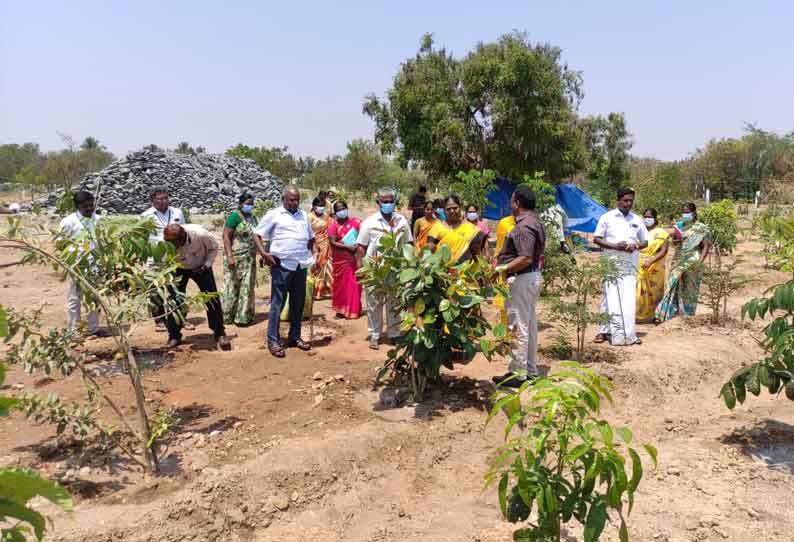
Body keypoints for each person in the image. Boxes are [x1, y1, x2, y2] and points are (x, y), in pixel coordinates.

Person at [492, 186, 546, 387]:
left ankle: (518, 374)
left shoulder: (523, 226)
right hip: (530, 277)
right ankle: (529, 371)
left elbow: (525, 257)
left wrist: (501, 269)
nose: (510, 204)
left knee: (518, 327)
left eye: (512, 200)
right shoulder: (535, 222)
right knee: (529, 326)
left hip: (522, 278)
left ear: (517, 203)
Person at [255, 186, 315, 358]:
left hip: (300, 266)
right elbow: (257, 234)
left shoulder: (303, 215)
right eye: (291, 200)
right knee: (277, 304)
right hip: (281, 266)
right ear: (284, 199)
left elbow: (311, 239)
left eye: (297, 199)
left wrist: (314, 256)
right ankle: (273, 340)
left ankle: (294, 337)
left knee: (298, 304)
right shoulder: (274, 214)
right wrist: (264, 254)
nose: (295, 203)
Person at [357, 187, 413, 350]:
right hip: (375, 270)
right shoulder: (369, 222)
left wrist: (408, 268)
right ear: (378, 203)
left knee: (394, 302)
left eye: (391, 201)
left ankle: (394, 333)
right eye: (385, 202)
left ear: (395, 202)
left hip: (396, 269)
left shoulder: (402, 221)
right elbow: (361, 247)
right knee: (374, 303)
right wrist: (361, 271)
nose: (388, 204)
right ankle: (374, 335)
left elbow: (408, 243)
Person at [593, 188, 648, 346]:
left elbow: (645, 241)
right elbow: (597, 239)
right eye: (625, 200)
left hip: (630, 264)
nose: (628, 203)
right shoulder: (607, 217)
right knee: (609, 296)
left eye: (631, 201)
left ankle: (628, 333)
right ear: (618, 200)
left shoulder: (637, 219)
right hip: (611, 262)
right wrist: (614, 246)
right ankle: (604, 331)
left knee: (628, 298)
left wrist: (636, 245)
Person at [162, 224, 231, 350]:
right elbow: (162, 258)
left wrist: (207, 264)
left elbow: (214, 247)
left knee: (211, 299)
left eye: (176, 244)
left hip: (202, 267)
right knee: (174, 301)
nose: (174, 247)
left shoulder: (200, 234)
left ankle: (219, 333)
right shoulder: (166, 241)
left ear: (183, 237)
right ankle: (174, 336)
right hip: (178, 268)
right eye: (171, 244)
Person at [655, 203, 711, 322]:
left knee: (690, 288)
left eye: (687, 212)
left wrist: (700, 262)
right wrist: (676, 240)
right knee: (672, 284)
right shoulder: (679, 225)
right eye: (683, 212)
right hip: (678, 259)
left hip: (693, 259)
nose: (685, 214)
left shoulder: (702, 228)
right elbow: (674, 241)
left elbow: (705, 246)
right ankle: (666, 314)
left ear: (694, 213)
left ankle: (688, 315)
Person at [141, 187, 185, 332]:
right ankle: (159, 319)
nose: (163, 201)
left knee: (175, 288)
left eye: (166, 198)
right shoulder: (146, 216)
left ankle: (178, 317)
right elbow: (142, 238)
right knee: (155, 290)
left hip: (174, 255)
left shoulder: (177, 212)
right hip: (155, 256)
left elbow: (183, 231)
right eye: (160, 199)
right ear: (152, 200)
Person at [59, 191, 103, 336]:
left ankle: (93, 328)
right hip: (76, 265)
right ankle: (74, 330)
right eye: (86, 207)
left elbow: (103, 241)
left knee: (94, 297)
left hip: (95, 264)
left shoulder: (99, 220)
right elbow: (60, 244)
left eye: (91, 205)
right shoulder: (68, 222)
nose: (90, 209)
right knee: (74, 298)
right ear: (78, 206)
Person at [221, 192, 258, 326]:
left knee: (247, 286)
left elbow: (257, 237)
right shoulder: (234, 217)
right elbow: (226, 236)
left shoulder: (253, 218)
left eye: (252, 204)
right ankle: (227, 315)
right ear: (241, 204)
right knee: (231, 285)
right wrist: (230, 256)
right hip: (235, 257)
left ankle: (243, 316)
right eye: (248, 204)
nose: (250, 206)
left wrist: (261, 253)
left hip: (249, 258)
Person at [328, 200, 363, 319]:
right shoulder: (333, 225)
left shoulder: (356, 222)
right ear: (335, 212)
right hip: (340, 261)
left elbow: (363, 237)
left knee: (355, 284)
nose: (341, 211)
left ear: (347, 208)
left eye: (343, 208)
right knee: (341, 286)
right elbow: (332, 242)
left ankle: (354, 309)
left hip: (355, 258)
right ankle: (340, 310)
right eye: (338, 210)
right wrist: (347, 246)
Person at [428, 195, 486, 264]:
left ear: (460, 208)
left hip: (465, 271)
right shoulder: (437, 227)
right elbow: (429, 251)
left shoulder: (473, 229)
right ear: (444, 210)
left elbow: (479, 253)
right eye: (448, 209)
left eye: (455, 208)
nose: (452, 211)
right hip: (443, 272)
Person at [636, 208, 669, 322]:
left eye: (649, 217)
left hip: (655, 266)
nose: (647, 219)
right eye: (645, 216)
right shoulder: (639, 231)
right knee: (639, 290)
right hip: (639, 264)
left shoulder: (661, 233)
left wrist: (651, 261)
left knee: (654, 291)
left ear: (655, 219)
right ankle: (639, 315)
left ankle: (654, 315)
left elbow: (664, 250)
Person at [309, 197, 333, 299]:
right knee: (315, 266)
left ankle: (323, 290)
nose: (321, 208)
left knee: (325, 266)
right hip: (313, 245)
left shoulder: (326, 217)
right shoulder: (308, 217)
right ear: (314, 206)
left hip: (326, 244)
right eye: (319, 206)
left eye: (323, 206)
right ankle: (312, 290)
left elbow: (332, 228)